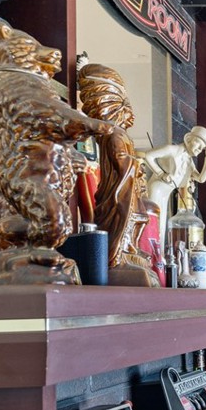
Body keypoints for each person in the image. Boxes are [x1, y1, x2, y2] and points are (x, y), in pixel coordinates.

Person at [76, 62, 157, 285]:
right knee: (122, 221)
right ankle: (117, 255)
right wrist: (135, 164)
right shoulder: (115, 135)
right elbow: (121, 159)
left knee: (137, 220)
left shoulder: (118, 133)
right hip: (120, 191)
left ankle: (129, 249)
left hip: (129, 190)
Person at [140, 126, 206, 258]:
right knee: (151, 223)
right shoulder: (172, 150)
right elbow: (148, 156)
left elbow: (200, 178)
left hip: (166, 194)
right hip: (157, 189)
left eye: (202, 149)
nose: (199, 150)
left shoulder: (189, 161)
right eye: (198, 145)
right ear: (189, 139)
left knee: (161, 228)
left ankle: (157, 258)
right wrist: (160, 173)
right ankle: (147, 255)